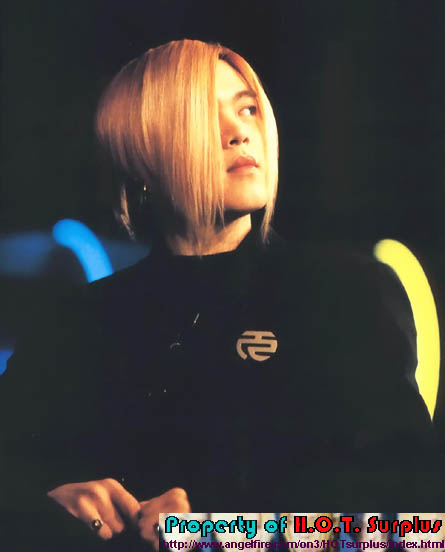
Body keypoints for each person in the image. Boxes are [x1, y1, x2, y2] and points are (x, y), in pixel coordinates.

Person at [0, 39, 439, 552]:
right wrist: (48, 504)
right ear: (141, 152)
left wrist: (216, 532)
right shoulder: (72, 325)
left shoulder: (347, 295)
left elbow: (418, 530)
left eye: (247, 108)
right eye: (204, 116)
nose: (240, 132)